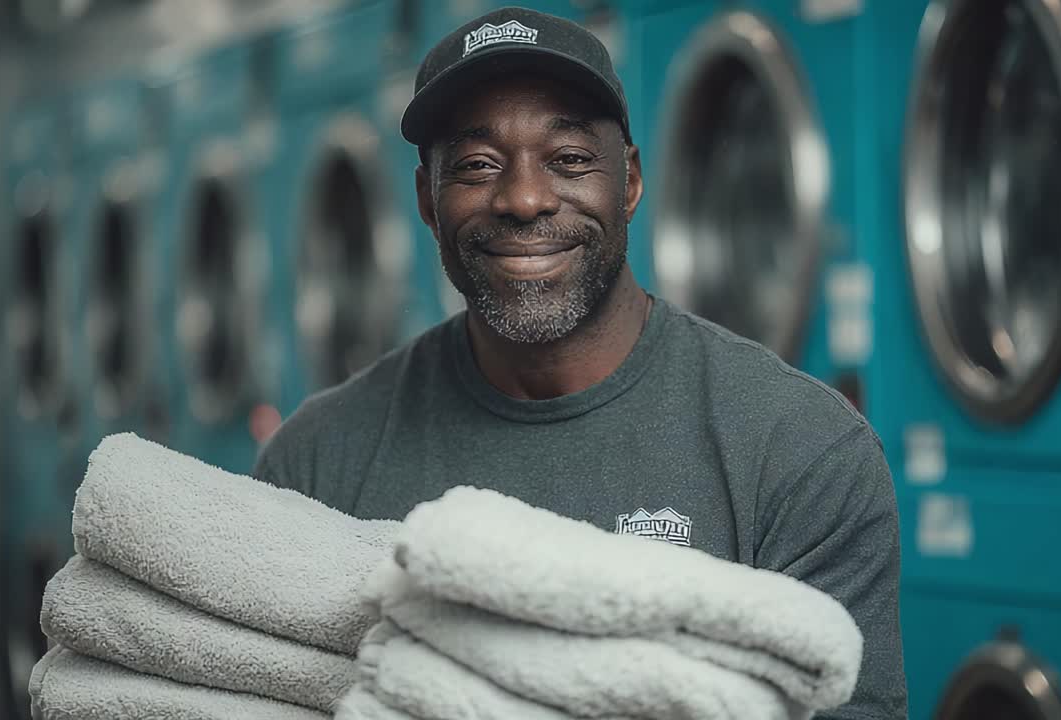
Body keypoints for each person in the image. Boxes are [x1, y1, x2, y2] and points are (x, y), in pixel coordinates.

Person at [254, 6, 906, 718]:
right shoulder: (315, 465)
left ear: (627, 183)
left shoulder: (801, 451)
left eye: (568, 160)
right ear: (426, 201)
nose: (525, 199)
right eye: (477, 165)